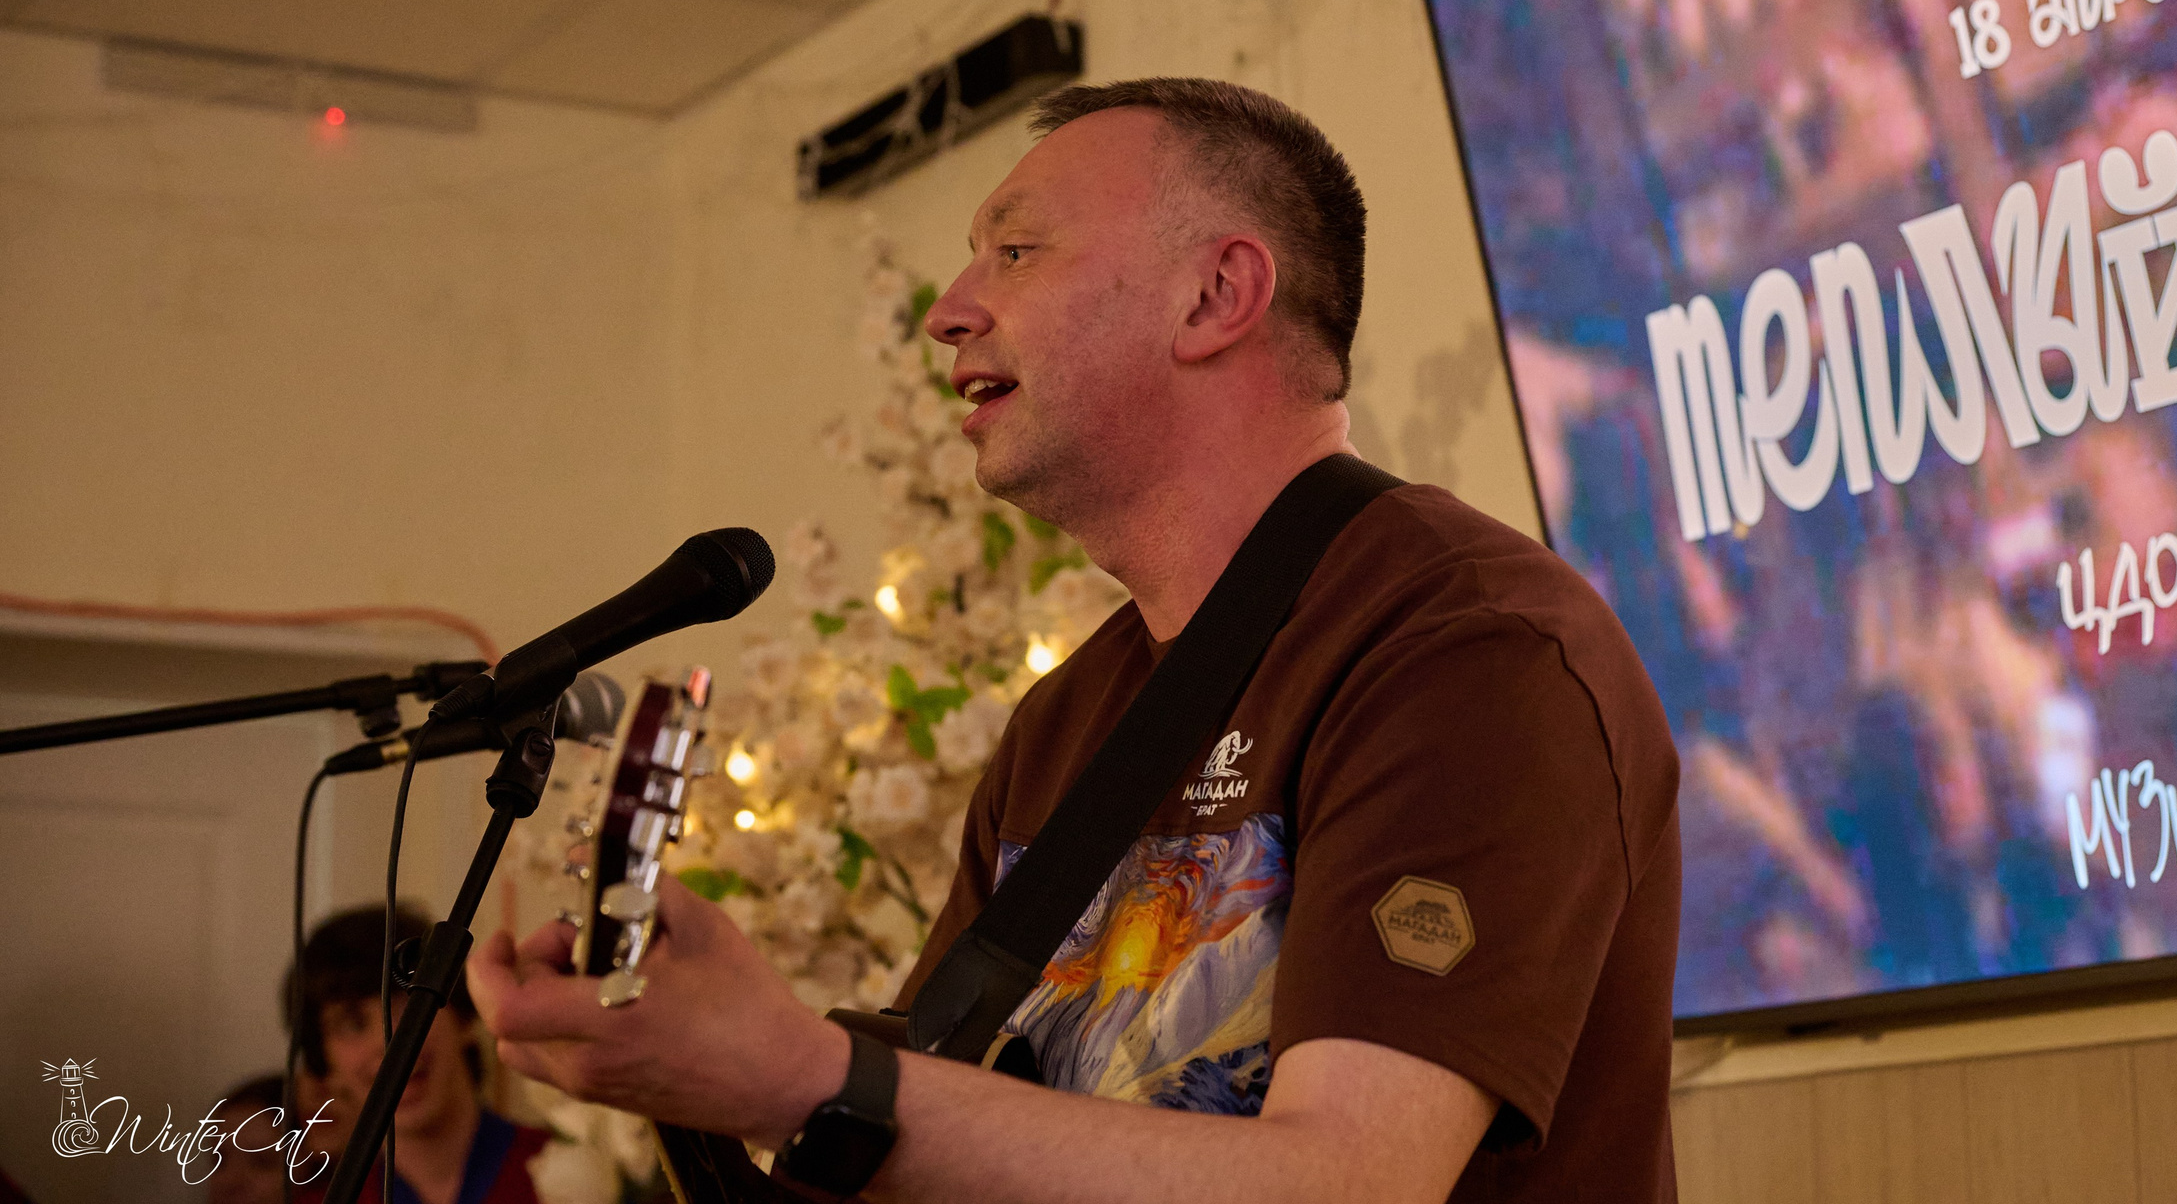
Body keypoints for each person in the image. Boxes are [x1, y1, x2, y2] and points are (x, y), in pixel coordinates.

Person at [469, 78, 1681, 1202]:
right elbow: (959, 1135)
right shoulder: (1068, 720)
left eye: (1016, 249)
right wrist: (690, 1070)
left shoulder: (1466, 647)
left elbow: (1350, 1180)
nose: (949, 310)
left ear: (1216, 295)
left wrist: (802, 1072)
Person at [288, 906, 547, 1204]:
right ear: (326, 1065)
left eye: (408, 1005)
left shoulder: (581, 1174)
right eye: (352, 1024)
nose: (387, 1042)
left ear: (462, 1016)